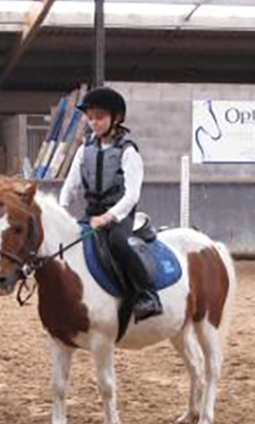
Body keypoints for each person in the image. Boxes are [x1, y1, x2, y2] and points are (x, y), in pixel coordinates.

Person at [59, 86, 163, 320]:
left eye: (100, 117)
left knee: (117, 243)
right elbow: (70, 185)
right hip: (92, 213)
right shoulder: (84, 149)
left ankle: (146, 294)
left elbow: (132, 195)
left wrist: (109, 217)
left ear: (115, 118)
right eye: (91, 118)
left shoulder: (128, 152)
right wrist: (61, 210)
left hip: (119, 216)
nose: (94, 122)